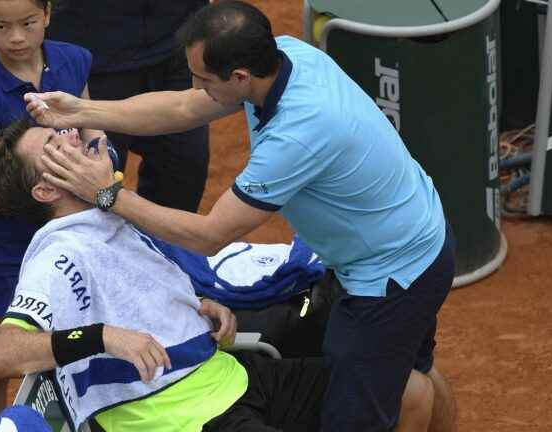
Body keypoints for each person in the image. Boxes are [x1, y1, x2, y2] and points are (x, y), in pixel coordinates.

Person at [23, 2, 457, 431]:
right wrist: (82, 112)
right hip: (412, 239)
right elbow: (183, 108)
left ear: (239, 77)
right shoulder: (285, 55)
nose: (195, 86)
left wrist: (107, 194)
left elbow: (210, 234)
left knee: (357, 415)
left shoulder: (297, 136)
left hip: (390, 278)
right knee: (410, 377)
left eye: (203, 78)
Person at [0, 119, 435, 432]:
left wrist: (196, 310)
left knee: (407, 391)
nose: (70, 137)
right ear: (44, 188)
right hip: (182, 417)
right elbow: (1, 355)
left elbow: (135, 294)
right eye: (53, 145)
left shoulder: (108, 217)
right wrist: (102, 337)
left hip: (233, 375)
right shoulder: (59, 253)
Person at [0, 1, 103, 430]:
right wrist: (50, 193)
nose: (15, 38)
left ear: (48, 14)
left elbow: (91, 124)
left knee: (78, 340)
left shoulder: (72, 60)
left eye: (28, 24)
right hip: (3, 247)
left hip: (70, 231)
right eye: (0, 26)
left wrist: (101, 159)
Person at [46, 0, 210, 212]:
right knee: (92, 192)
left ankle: (161, 246)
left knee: (183, 178)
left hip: (178, 38)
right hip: (91, 52)